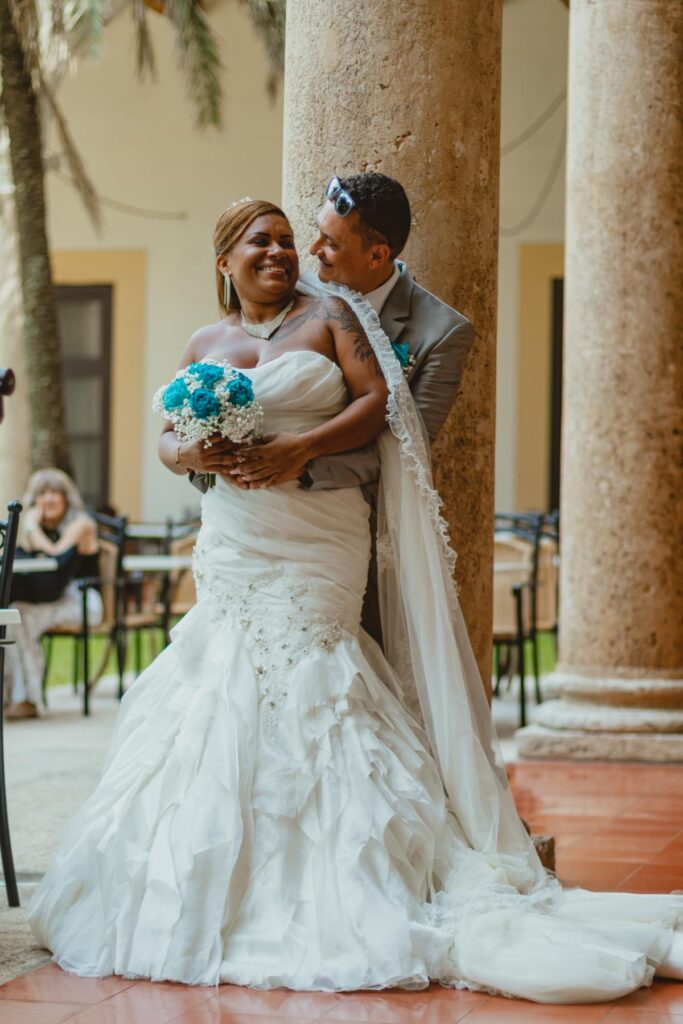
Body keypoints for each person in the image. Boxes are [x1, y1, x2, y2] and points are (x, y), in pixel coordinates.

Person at [28, 200, 683, 1001]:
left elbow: (377, 406)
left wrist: (298, 446)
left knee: (318, 677)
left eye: (282, 238)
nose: (277, 251)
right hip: (235, 537)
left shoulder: (328, 315)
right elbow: (167, 439)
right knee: (216, 675)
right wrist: (188, 451)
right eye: (256, 241)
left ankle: (354, 871)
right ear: (225, 261)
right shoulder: (204, 345)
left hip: (313, 531)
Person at [190, 173, 475, 642]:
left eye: (330, 243)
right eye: (315, 233)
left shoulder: (439, 332)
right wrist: (218, 460)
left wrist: (301, 463)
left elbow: (406, 445)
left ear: (377, 256)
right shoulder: (284, 282)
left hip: (341, 523)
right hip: (246, 525)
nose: (311, 250)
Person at [5, 469, 102, 719]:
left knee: (20, 617)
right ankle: (10, 694)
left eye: (53, 493)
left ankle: (29, 698)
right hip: (55, 599)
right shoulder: (37, 529)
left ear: (66, 497)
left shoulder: (81, 524)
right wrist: (32, 532)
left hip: (83, 601)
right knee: (12, 613)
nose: (47, 499)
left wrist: (31, 528)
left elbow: (58, 557)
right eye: (41, 494)